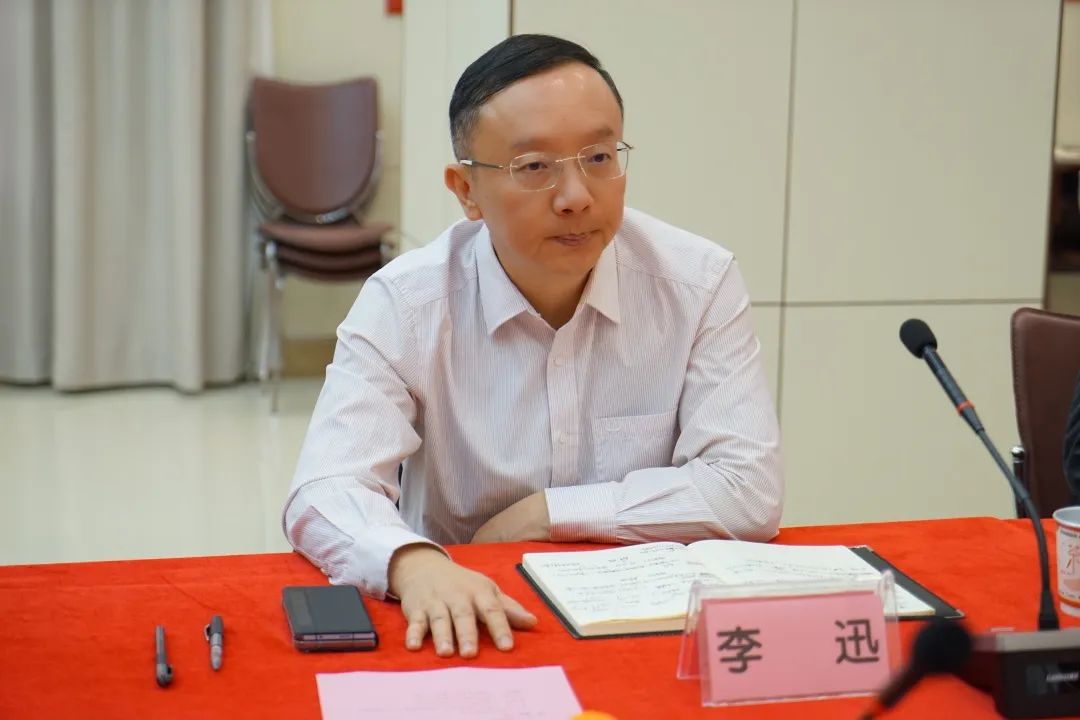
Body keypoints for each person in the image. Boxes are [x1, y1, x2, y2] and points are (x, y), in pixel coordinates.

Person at [283, 34, 783, 659]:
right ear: (465, 190)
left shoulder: (697, 283)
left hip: (642, 623)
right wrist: (412, 562)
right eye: (535, 167)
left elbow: (746, 488)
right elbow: (325, 488)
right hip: (473, 616)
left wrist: (550, 512)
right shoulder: (408, 304)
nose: (577, 197)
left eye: (599, 157)